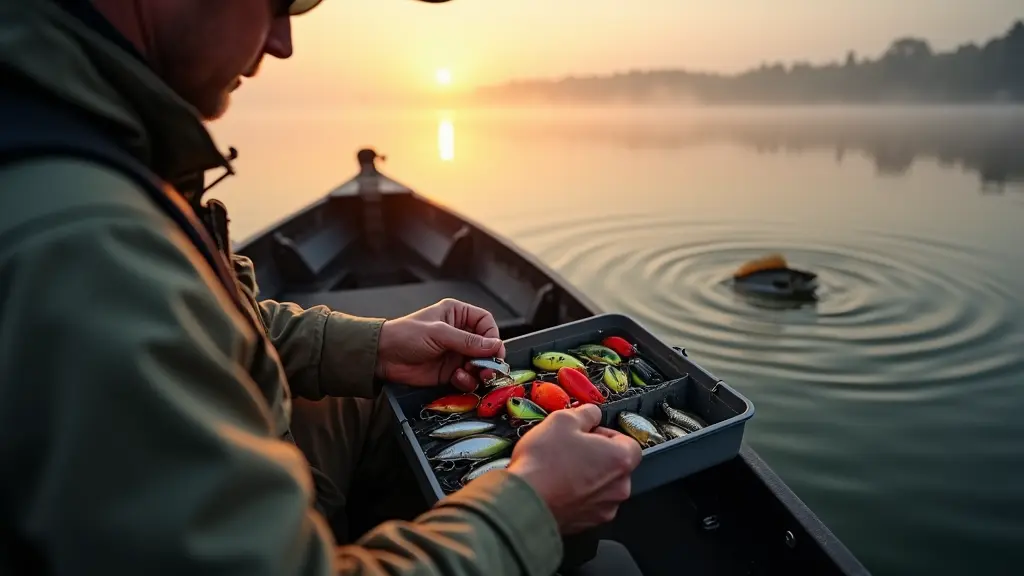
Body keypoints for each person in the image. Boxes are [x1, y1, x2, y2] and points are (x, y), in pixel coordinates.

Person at [0, 1, 644, 575]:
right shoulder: (87, 241)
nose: (282, 42)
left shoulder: (74, 129)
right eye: (280, 2)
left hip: (264, 447)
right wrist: (530, 508)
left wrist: (378, 345)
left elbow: (223, 320)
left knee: (386, 396)